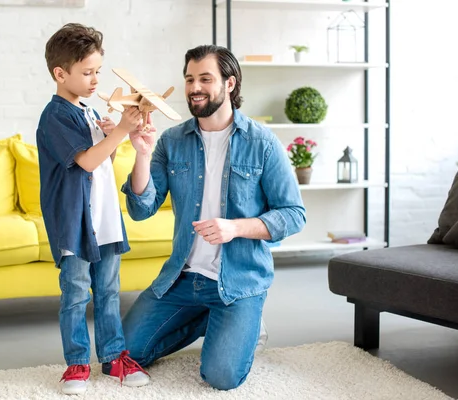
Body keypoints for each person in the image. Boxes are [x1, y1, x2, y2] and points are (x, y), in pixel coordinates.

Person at [121, 44, 306, 390]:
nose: (194, 87)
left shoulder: (263, 143)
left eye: (205, 78)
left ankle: (244, 320)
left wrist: (234, 228)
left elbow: (294, 214)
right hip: (181, 279)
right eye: (189, 79)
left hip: (237, 283)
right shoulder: (171, 141)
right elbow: (140, 208)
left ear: (230, 84)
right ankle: (213, 320)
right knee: (119, 355)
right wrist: (142, 155)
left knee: (221, 377)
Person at [36, 23, 150, 395]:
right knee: (75, 293)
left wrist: (110, 136)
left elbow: (102, 161)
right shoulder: (56, 116)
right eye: (87, 72)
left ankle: (113, 356)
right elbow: (83, 163)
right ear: (60, 73)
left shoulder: (85, 112)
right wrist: (117, 131)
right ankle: (77, 363)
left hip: (103, 219)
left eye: (98, 71)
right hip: (75, 222)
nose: (95, 79)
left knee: (109, 291)